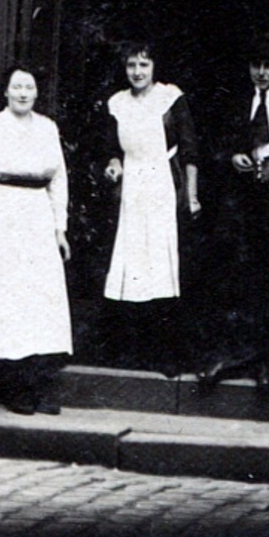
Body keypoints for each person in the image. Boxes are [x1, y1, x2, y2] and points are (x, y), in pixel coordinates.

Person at [195, 31, 269, 392]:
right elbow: (212, 144)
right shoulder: (235, 100)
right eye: (256, 65)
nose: (261, 73)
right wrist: (233, 156)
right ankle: (231, 356)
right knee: (235, 281)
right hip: (239, 208)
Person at [0, 66, 74, 415]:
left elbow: (59, 180)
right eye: (17, 87)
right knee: (11, 300)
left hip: (39, 216)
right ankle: (15, 388)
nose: (23, 93)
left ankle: (39, 385)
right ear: (6, 92)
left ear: (37, 92)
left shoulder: (47, 128)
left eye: (29, 87)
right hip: (5, 212)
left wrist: (60, 228)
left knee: (43, 300)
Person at [96, 40, 201, 375]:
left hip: (163, 187)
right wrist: (114, 164)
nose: (137, 72)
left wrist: (193, 196)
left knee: (163, 266)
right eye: (131, 65)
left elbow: (189, 151)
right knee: (131, 266)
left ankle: (168, 355)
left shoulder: (170, 98)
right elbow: (112, 147)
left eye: (143, 65)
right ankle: (130, 351)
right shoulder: (117, 103)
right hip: (131, 191)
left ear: (155, 67)